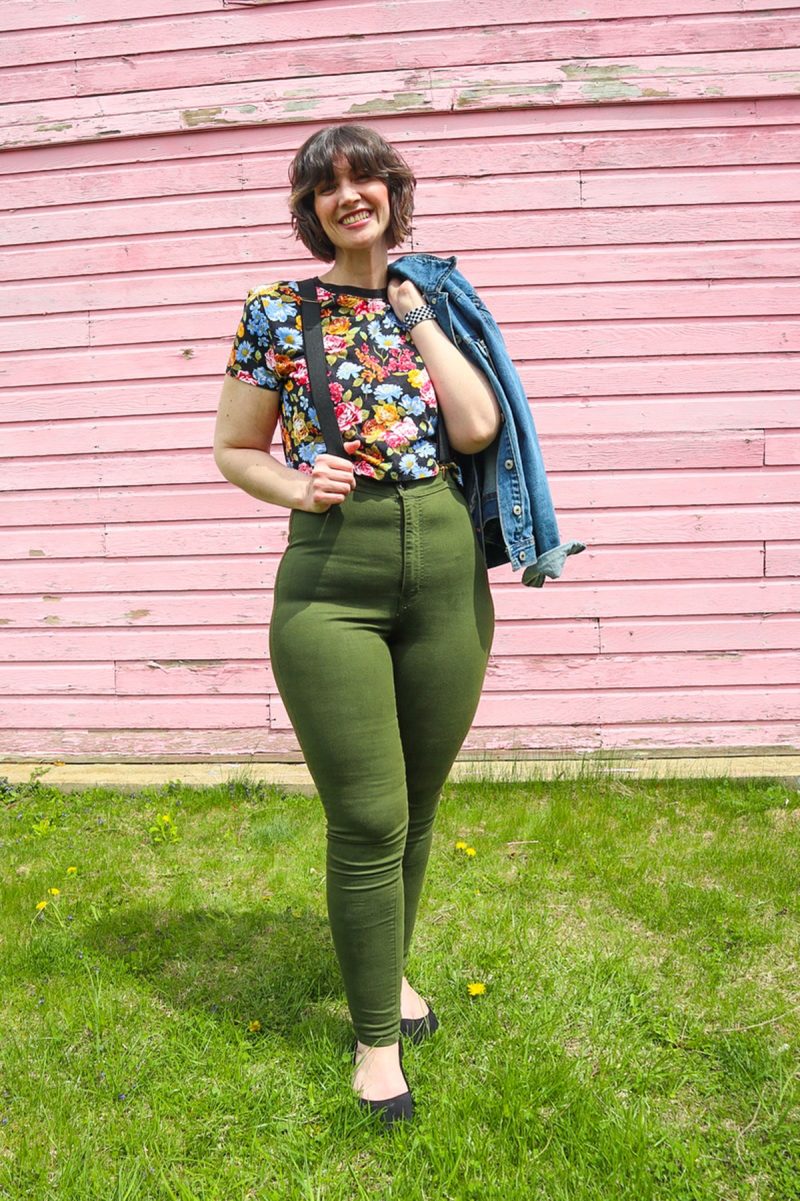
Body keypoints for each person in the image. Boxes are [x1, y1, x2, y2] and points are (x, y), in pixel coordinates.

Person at [214, 123, 501, 1127]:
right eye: (325, 185)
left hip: (445, 566)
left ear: (390, 190)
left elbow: (474, 428)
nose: (348, 195)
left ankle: (386, 977)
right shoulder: (274, 311)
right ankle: (376, 1042)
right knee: (368, 818)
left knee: (417, 809)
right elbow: (233, 448)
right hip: (333, 577)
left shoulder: (439, 296)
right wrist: (295, 479)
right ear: (309, 207)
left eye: (362, 177)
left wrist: (412, 311)